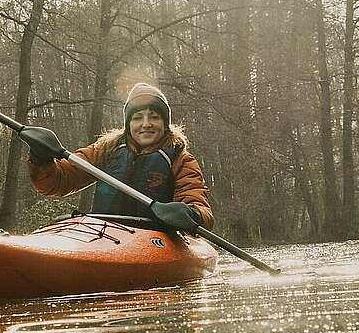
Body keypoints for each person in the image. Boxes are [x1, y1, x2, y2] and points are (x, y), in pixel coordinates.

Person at [19, 83, 214, 230]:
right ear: (128, 124)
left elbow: (199, 204)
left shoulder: (180, 158)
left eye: (154, 117)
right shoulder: (106, 149)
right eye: (137, 118)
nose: (146, 124)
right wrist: (41, 158)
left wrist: (193, 214)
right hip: (105, 234)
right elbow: (58, 182)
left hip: (156, 237)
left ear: (165, 123)